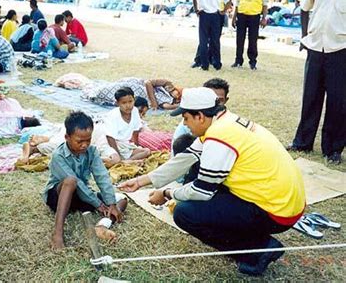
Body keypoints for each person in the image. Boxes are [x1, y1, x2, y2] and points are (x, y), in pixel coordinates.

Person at [119, 87, 305, 276]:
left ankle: (258, 249)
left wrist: (167, 194)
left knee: (185, 213)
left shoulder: (219, 136)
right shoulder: (223, 121)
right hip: (284, 203)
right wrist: (142, 181)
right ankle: (255, 238)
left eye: (186, 118)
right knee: (197, 193)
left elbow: (202, 191)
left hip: (277, 213)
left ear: (200, 116)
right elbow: (185, 158)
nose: (185, 124)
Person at [42, 111, 127, 250]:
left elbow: (102, 176)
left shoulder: (92, 151)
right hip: (58, 197)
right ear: (67, 137)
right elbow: (77, 183)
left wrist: (110, 204)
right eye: (79, 141)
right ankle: (57, 234)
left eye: (88, 140)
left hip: (81, 197)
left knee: (121, 199)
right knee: (70, 181)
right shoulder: (58, 156)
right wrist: (98, 203)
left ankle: (101, 226)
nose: (84, 145)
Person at [287, 0, 346, 165]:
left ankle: (333, 149)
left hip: (341, 50)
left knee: (338, 103)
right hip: (315, 48)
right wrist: (304, 37)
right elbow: (305, 8)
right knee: (310, 97)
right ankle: (303, 142)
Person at [193, 0, 232, 71]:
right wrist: (223, 11)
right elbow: (229, 1)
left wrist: (196, 10)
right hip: (216, 15)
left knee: (203, 40)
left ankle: (204, 64)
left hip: (204, 14)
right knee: (215, 40)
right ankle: (217, 63)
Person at [231, 0, 269, 70]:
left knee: (253, 40)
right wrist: (234, 17)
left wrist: (264, 18)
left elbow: (265, 4)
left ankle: (252, 62)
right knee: (239, 39)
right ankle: (238, 60)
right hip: (242, 15)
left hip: (254, 16)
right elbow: (237, 3)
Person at [105, 87, 151, 163]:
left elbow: (135, 131)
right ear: (117, 103)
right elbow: (110, 138)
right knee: (115, 160)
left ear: (134, 100)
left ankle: (126, 162)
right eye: (124, 103)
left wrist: (135, 146)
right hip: (111, 144)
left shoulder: (135, 111)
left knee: (146, 151)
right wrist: (118, 154)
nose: (128, 105)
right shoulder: (112, 116)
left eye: (130, 101)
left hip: (124, 145)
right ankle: (124, 161)